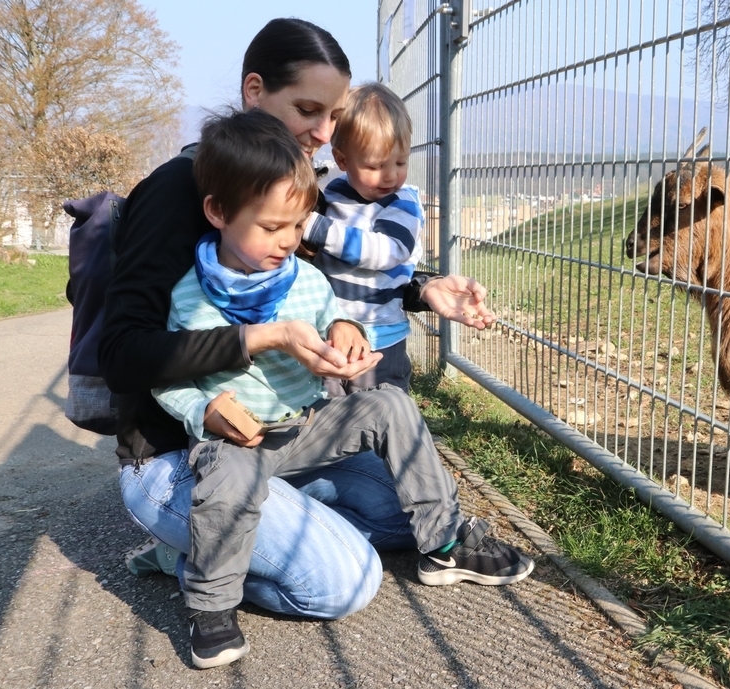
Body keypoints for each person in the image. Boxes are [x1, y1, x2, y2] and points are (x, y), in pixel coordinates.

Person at [99, 17, 511, 670]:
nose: (325, 134)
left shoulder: (290, 187)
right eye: (308, 111)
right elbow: (121, 353)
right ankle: (194, 553)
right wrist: (261, 339)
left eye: (334, 115)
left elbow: (317, 287)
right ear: (255, 91)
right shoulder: (177, 194)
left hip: (286, 432)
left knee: (413, 510)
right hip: (183, 452)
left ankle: (281, 516)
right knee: (346, 578)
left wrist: (423, 291)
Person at [303, 82, 421, 394]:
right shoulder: (335, 191)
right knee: (330, 405)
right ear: (342, 161)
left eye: (400, 162)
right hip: (333, 330)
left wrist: (317, 229)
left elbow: (388, 252)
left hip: (379, 335)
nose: (390, 175)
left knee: (379, 406)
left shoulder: (401, 202)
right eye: (374, 165)